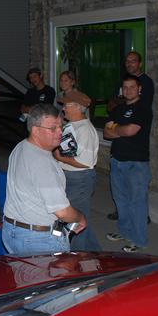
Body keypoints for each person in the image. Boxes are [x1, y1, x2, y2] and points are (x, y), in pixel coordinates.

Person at [2, 103, 87, 255]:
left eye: (61, 126)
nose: (60, 132)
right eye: (53, 128)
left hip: (12, 231)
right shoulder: (42, 163)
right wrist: (80, 217)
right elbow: (62, 212)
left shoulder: (21, 146)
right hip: (38, 240)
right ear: (35, 130)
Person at [104, 75, 152, 253]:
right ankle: (125, 232)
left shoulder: (143, 109)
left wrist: (116, 130)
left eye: (132, 87)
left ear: (139, 89)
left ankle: (139, 240)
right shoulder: (118, 109)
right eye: (125, 87)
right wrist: (120, 131)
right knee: (121, 200)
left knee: (137, 202)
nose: (128, 90)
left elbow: (131, 130)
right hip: (117, 160)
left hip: (136, 163)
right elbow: (107, 134)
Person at [107, 51, 154, 221]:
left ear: (139, 63)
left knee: (137, 193)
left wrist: (117, 128)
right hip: (120, 149)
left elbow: (132, 125)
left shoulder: (146, 82)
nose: (129, 64)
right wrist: (120, 126)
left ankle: (141, 220)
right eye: (127, 61)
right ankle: (125, 217)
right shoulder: (125, 79)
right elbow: (114, 109)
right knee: (122, 191)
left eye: (133, 61)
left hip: (137, 146)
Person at [54, 90, 101, 251]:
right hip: (71, 177)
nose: (63, 108)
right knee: (80, 218)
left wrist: (59, 158)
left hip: (79, 179)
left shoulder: (85, 130)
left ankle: (76, 258)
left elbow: (85, 162)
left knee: (74, 221)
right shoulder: (72, 126)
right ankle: (95, 255)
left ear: (77, 107)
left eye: (66, 105)